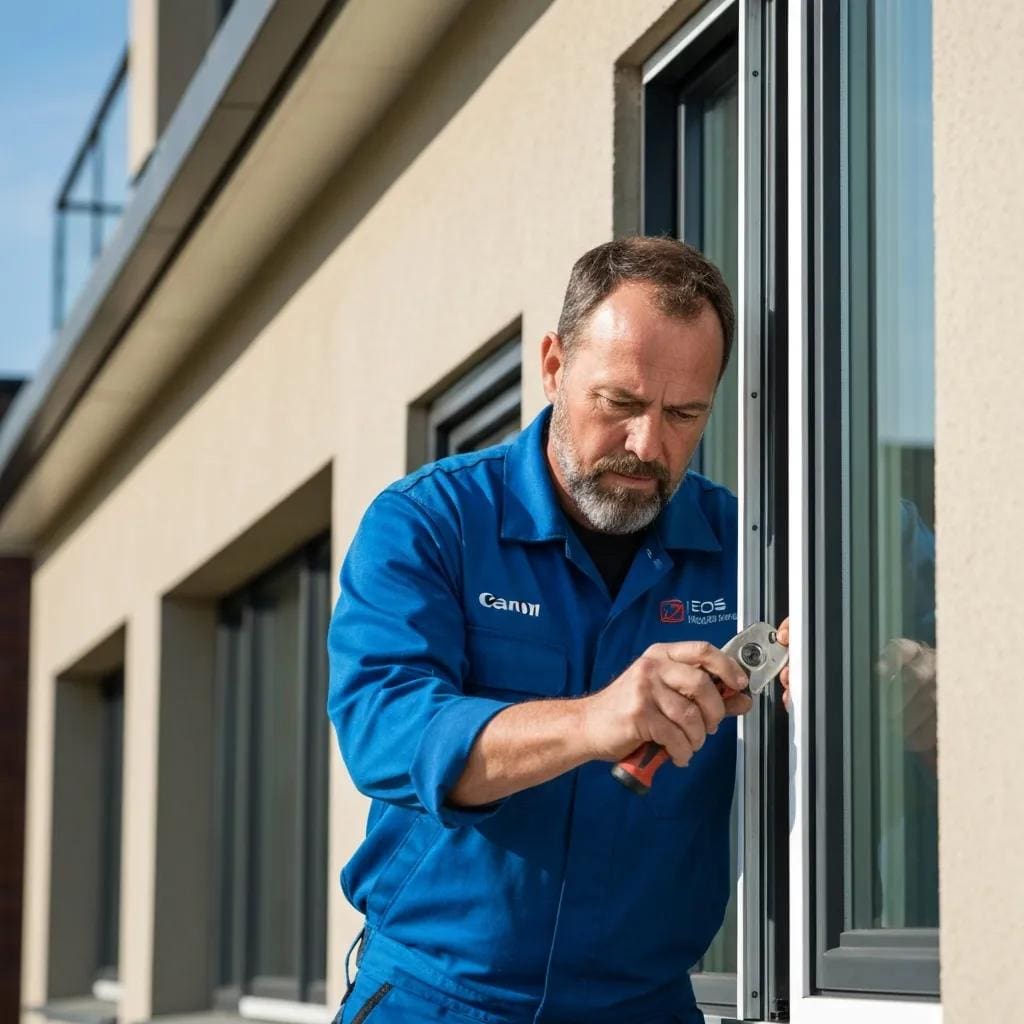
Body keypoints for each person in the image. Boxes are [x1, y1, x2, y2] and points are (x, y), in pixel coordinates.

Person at [327, 236, 790, 1024]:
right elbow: (384, 730)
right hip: (437, 997)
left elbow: (904, 575)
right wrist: (591, 721)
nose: (649, 446)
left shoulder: (754, 549)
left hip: (647, 1005)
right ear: (552, 366)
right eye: (621, 403)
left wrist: (871, 653)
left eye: (684, 414)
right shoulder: (429, 523)